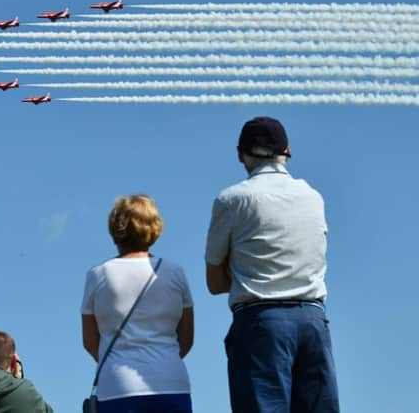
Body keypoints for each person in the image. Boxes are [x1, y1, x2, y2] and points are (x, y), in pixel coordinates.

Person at [205, 116, 340, 413]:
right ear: (286, 152)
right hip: (314, 322)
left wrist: (247, 270)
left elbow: (214, 282)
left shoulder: (232, 199)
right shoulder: (313, 197)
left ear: (241, 154)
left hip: (261, 323)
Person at [81, 194, 194, 413]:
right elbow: (187, 338)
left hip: (117, 385)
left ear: (116, 228)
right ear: (154, 227)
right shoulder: (175, 273)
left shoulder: (98, 275)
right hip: (171, 381)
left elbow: (89, 340)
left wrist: (113, 359)